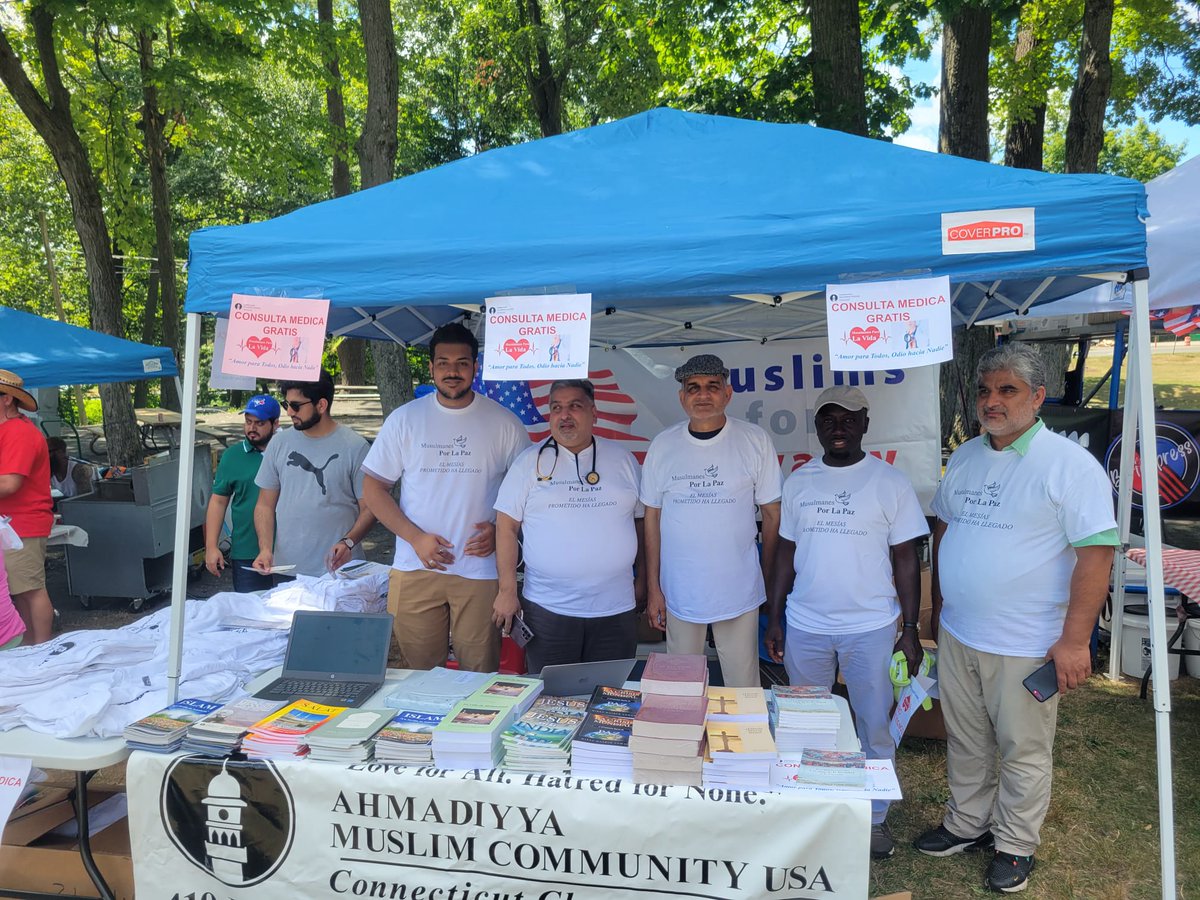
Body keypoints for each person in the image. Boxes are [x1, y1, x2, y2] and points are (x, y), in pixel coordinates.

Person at [914, 343, 1117, 894]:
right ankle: (966, 823)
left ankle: (1015, 845)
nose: (992, 401)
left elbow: (1096, 557)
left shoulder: (1070, 466)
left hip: (1026, 640)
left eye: (1007, 390)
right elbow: (946, 526)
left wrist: (1076, 641)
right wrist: (945, 602)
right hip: (960, 632)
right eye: (984, 390)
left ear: (1038, 397)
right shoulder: (965, 456)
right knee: (966, 737)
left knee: (1022, 750)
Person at [764, 385, 928, 860]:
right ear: (816, 427)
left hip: (872, 626)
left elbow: (905, 560)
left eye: (848, 419)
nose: (838, 428)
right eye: (828, 420)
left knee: (873, 724)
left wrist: (911, 629)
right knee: (805, 723)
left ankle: (873, 818)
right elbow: (785, 557)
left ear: (865, 425)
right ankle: (814, 810)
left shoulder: (889, 483)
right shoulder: (798, 482)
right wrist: (775, 618)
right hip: (807, 624)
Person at [361, 323, 528, 672]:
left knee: (478, 677)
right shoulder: (405, 419)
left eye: (462, 363)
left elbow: (529, 494)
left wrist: (499, 528)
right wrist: (416, 539)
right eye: (443, 362)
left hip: (480, 570)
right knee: (416, 676)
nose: (453, 371)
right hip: (415, 565)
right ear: (431, 367)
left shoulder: (505, 424)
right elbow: (373, 490)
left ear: (475, 367)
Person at [640, 353, 782, 687]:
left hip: (739, 589)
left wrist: (764, 575)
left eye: (712, 386)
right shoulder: (663, 445)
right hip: (679, 591)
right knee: (680, 687)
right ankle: (684, 739)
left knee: (742, 685)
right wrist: (654, 589)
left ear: (727, 394)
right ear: (682, 397)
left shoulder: (754, 441)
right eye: (694, 388)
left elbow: (772, 515)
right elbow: (651, 518)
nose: (703, 395)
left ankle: (744, 740)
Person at [491, 379, 646, 673]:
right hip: (548, 609)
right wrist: (508, 590)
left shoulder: (624, 460)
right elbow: (506, 527)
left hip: (616, 608)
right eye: (556, 408)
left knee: (610, 704)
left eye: (575, 406)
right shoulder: (528, 463)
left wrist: (645, 582)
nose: (565, 416)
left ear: (594, 413)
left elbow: (641, 523)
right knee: (552, 706)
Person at [252, 370, 374, 578]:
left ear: (321, 405)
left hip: (340, 571)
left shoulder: (355, 446)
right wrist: (265, 549)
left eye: (296, 405)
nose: (289, 412)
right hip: (287, 571)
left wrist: (349, 542)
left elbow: (371, 508)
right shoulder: (279, 443)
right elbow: (264, 504)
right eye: (286, 404)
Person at [205, 395, 281, 593]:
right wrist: (211, 546)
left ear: (275, 424)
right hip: (247, 551)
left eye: (259, 423)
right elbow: (218, 502)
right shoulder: (232, 456)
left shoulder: (287, 451)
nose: (251, 428)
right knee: (250, 614)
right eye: (248, 422)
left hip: (289, 549)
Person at [0, 369, 54, 645]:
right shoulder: (9, 430)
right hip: (12, 524)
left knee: (31, 590)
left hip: (22, 523)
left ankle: (42, 648)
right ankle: (30, 648)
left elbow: (9, 484)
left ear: (7, 399)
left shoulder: (19, 432)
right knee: (20, 591)